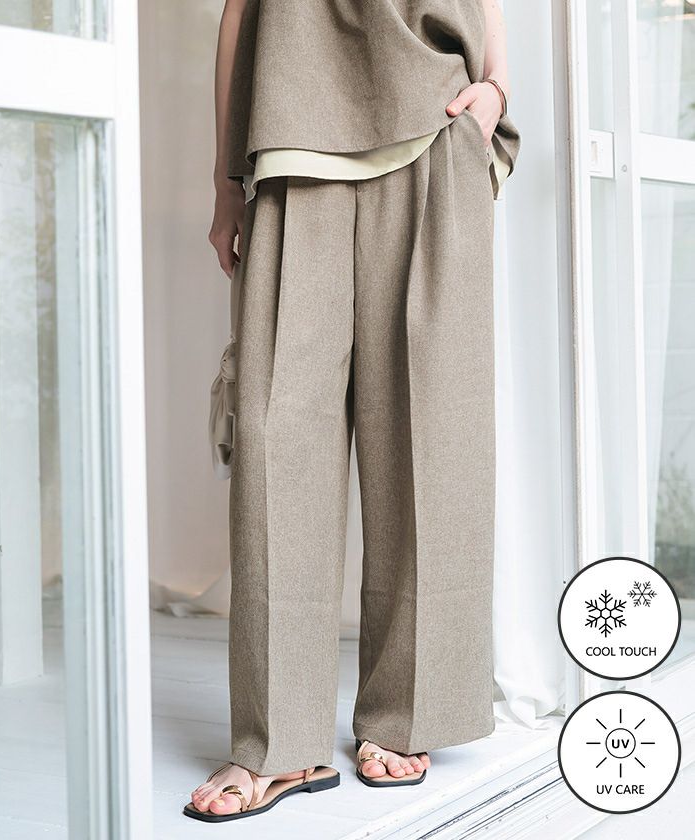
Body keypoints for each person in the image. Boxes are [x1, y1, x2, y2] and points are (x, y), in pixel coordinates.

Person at [185, 0, 520, 823]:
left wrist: (497, 92)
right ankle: (278, 740)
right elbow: (239, 11)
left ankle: (407, 711)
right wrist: (227, 182)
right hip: (294, 139)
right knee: (277, 440)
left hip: (436, 131)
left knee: (428, 435)